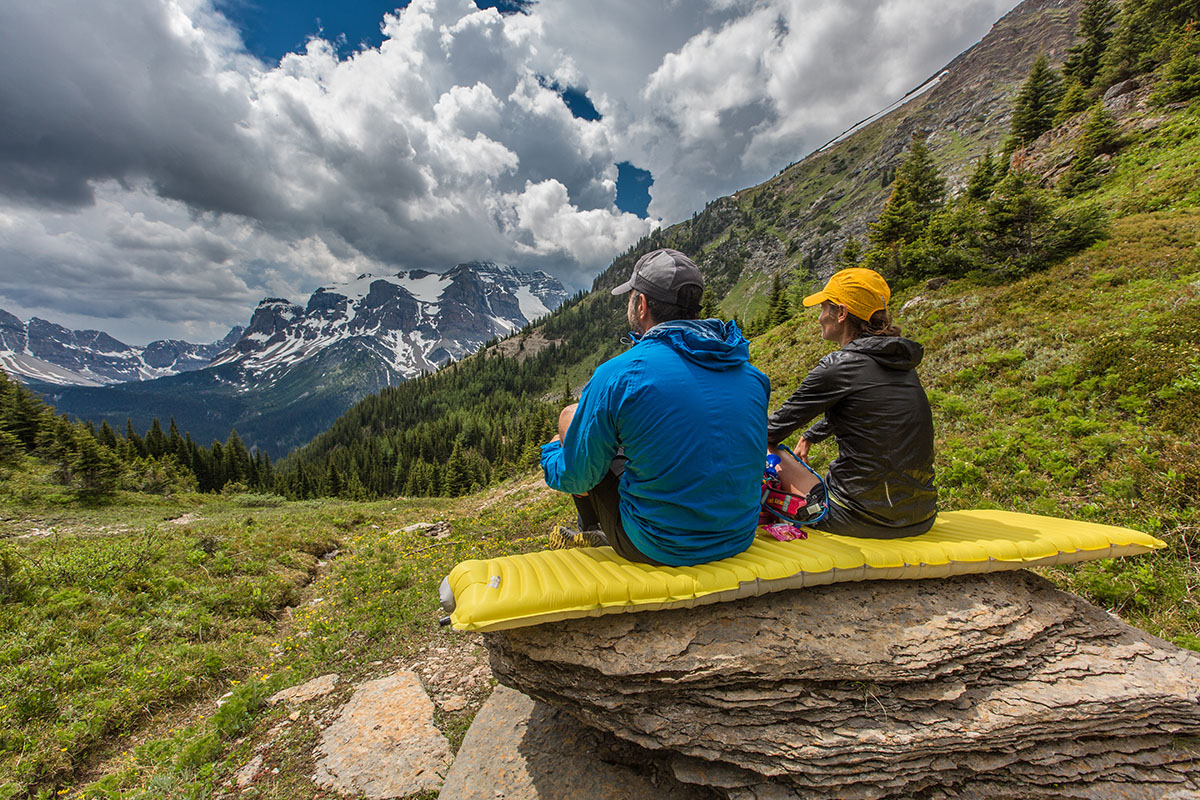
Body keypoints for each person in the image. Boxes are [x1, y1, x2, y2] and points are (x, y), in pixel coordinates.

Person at [540, 248, 770, 566]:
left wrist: (552, 454)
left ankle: (593, 531)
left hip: (658, 546)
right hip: (737, 537)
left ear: (642, 304)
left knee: (571, 423)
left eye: (632, 297)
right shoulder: (753, 376)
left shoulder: (619, 374)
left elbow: (578, 479)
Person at [767, 267, 936, 538]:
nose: (820, 317)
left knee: (766, 448)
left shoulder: (839, 366)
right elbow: (865, 408)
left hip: (859, 518)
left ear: (841, 313)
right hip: (921, 516)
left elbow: (770, 431)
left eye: (824, 308)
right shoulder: (900, 363)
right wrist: (811, 435)